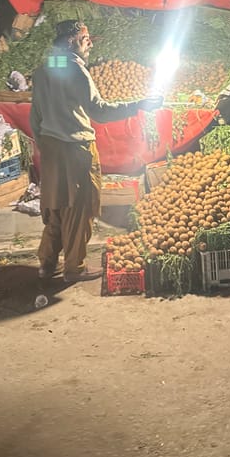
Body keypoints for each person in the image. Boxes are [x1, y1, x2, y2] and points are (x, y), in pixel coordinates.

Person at [30, 19, 163, 283]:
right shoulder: (76, 70)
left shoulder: (46, 67)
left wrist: (43, 142)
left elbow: (35, 115)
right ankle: (74, 268)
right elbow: (99, 111)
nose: (90, 42)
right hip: (76, 148)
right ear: (71, 41)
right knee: (80, 206)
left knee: (56, 205)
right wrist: (139, 105)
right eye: (84, 38)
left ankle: (47, 264)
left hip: (51, 147)